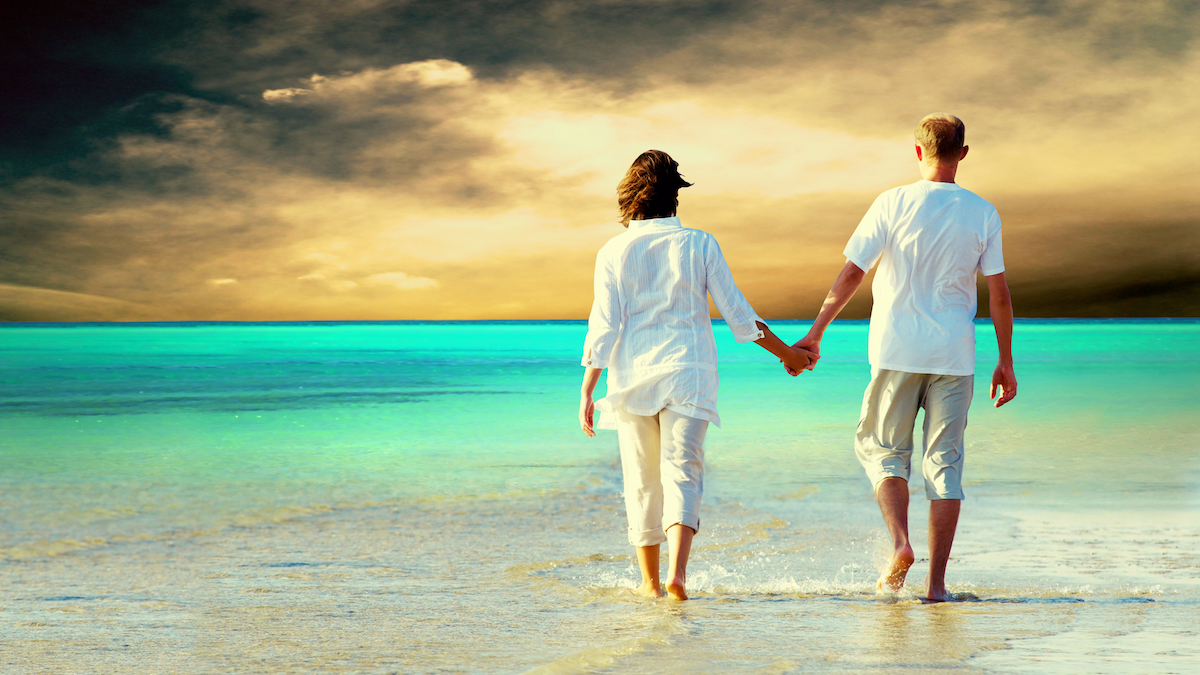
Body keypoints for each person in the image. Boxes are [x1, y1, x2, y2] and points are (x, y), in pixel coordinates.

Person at [791, 114, 1017, 602]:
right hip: (955, 356)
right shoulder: (983, 212)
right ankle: (936, 588)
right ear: (963, 153)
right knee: (945, 465)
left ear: (917, 152)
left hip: (895, 350)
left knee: (885, 451)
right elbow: (999, 294)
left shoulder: (891, 202)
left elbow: (852, 273)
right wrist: (1006, 360)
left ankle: (900, 544)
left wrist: (814, 334)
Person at [578, 149, 816, 601]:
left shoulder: (612, 251)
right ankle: (678, 577)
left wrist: (588, 388)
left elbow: (604, 325)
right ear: (675, 197)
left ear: (630, 197)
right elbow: (739, 317)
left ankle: (649, 584)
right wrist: (788, 355)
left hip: (631, 378)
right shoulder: (700, 243)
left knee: (641, 480)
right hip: (689, 374)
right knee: (682, 473)